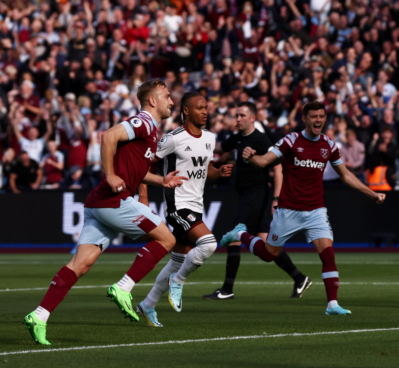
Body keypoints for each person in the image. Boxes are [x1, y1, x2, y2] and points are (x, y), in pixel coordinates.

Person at [23, 79, 187, 345]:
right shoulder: (143, 121)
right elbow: (107, 136)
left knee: (81, 264)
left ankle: (39, 316)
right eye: (167, 96)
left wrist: (162, 180)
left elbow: (138, 171)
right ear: (153, 100)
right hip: (114, 199)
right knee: (167, 239)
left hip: (98, 203)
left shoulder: (151, 131)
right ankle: (124, 287)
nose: (172, 101)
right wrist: (110, 174)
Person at [220, 101, 386, 315]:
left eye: (321, 116)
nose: (318, 120)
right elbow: (264, 162)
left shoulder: (329, 145)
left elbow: (346, 175)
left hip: (316, 210)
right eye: (313, 116)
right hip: (288, 210)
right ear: (305, 119)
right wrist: (251, 157)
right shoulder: (291, 140)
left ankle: (332, 305)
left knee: (327, 254)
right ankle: (240, 234)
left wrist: (371, 193)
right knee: (269, 254)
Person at [137, 92, 232, 327]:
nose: (205, 111)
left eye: (206, 107)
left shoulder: (210, 138)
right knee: (209, 243)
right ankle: (178, 282)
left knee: (177, 260)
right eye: (200, 107)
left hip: (196, 205)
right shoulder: (172, 138)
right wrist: (143, 196)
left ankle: (147, 304)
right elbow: (142, 166)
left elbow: (205, 170)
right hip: (176, 206)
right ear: (186, 111)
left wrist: (217, 173)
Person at [209, 101, 311, 300]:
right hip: (249, 195)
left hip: (256, 195)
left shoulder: (261, 140)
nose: (238, 119)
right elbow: (221, 148)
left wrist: (276, 198)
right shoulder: (237, 137)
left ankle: (227, 290)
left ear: (253, 118)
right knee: (266, 246)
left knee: (234, 236)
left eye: (242, 116)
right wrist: (196, 142)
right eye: (236, 115)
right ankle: (299, 278)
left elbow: (278, 168)